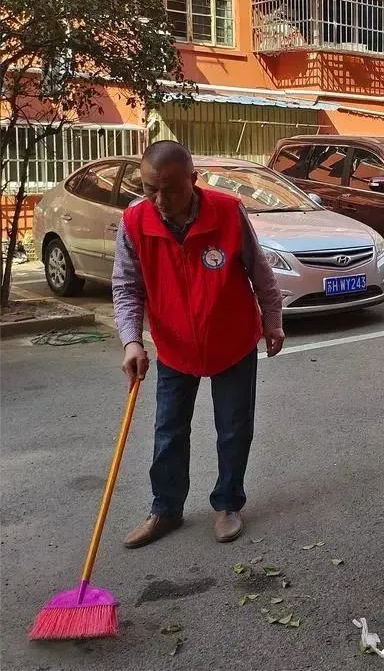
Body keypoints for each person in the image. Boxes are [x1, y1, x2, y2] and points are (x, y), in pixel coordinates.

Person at [112, 141, 284, 548]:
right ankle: (165, 509)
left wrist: (273, 321)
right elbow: (127, 287)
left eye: (168, 189)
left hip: (232, 340)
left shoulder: (226, 212)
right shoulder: (135, 222)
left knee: (233, 428)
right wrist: (131, 341)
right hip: (175, 345)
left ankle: (227, 503)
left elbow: (258, 269)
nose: (158, 199)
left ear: (193, 179)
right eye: (148, 188)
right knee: (169, 431)